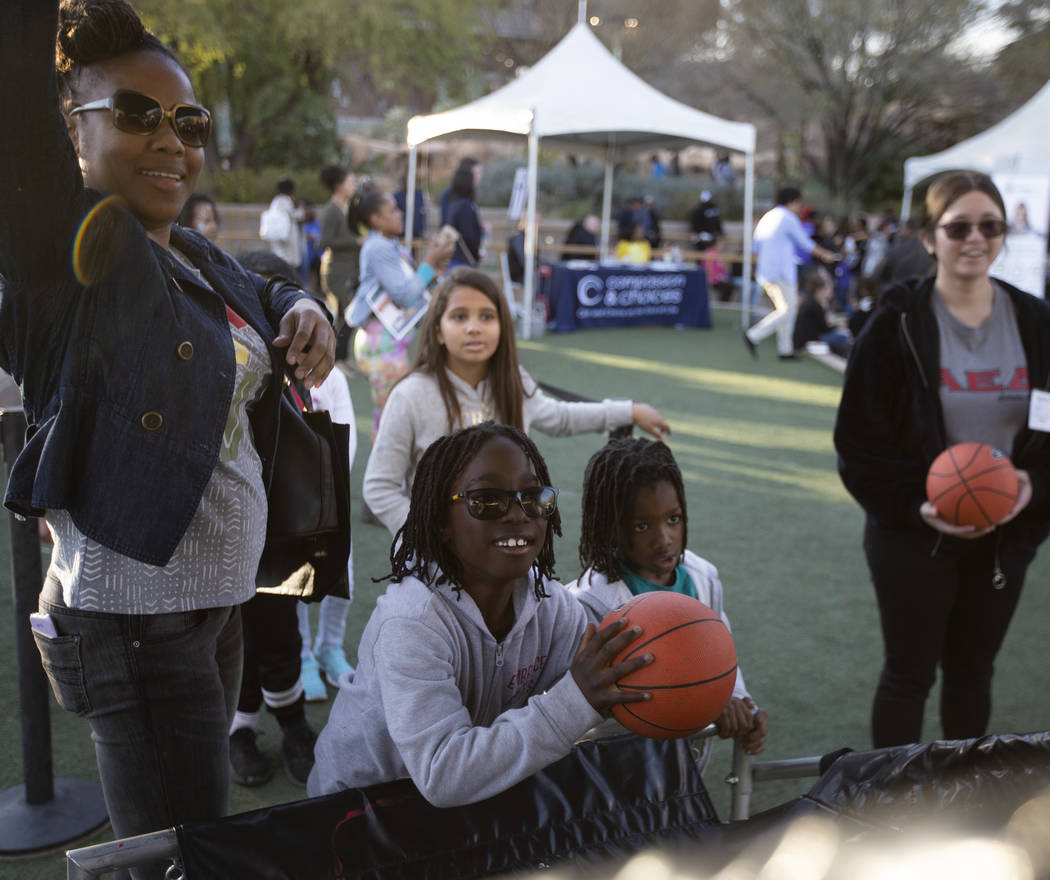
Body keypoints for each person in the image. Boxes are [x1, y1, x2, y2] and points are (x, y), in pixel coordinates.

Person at [1, 0, 335, 871]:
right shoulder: (71, 254)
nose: (171, 140)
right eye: (136, 114)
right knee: (179, 861)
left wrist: (301, 304)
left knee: (203, 842)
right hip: (138, 622)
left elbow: (256, 286)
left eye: (187, 121)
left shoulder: (188, 247)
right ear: (70, 133)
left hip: (216, 602)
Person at [309, 422, 654, 804]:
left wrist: (705, 694)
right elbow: (443, 772)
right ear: (442, 523)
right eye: (487, 501)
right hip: (359, 810)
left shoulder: (553, 609)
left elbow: (617, 683)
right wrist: (575, 701)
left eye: (533, 497)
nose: (518, 515)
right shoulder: (412, 622)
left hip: (461, 809)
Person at [834, 170, 1050, 748]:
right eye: (959, 227)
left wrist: (1034, 486)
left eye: (990, 225)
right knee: (908, 676)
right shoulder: (896, 323)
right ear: (929, 238)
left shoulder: (1036, 323)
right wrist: (915, 504)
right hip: (914, 535)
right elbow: (858, 445)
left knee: (973, 674)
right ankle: (893, 810)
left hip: (1005, 535)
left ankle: (962, 808)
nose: (975, 238)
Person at [362, 267, 670, 536]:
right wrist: (422, 540)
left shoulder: (513, 381)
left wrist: (629, 410)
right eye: (459, 316)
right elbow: (379, 487)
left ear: (502, 327)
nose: (474, 327)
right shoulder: (411, 394)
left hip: (509, 548)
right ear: (438, 330)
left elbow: (559, 418)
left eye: (487, 316)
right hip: (438, 566)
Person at [567, 437, 768, 773]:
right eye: (642, 526)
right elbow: (584, 714)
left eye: (673, 519)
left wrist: (744, 706)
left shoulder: (703, 577)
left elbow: (720, 656)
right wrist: (701, 708)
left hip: (687, 766)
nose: (663, 539)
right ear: (610, 527)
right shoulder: (587, 606)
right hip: (619, 774)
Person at [236, 251, 358, 706]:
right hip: (264, 510)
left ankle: (330, 649)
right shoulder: (239, 370)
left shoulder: (327, 374)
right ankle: (305, 656)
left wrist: (321, 487)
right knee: (287, 590)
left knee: (336, 572)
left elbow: (344, 439)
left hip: (319, 501)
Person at [346, 187, 455, 442]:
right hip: (381, 345)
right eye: (393, 210)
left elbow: (412, 290)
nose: (400, 214)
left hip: (385, 343)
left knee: (391, 416)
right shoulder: (378, 248)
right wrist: (429, 262)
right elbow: (405, 294)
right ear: (376, 220)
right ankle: (385, 477)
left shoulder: (385, 246)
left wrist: (434, 268)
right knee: (392, 420)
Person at [742, 185, 840, 361]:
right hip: (781, 272)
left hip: (766, 271)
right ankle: (754, 335)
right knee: (788, 310)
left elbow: (755, 245)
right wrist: (826, 255)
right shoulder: (787, 218)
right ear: (793, 202)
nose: (800, 207)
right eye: (798, 203)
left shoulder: (767, 217)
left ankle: (785, 350)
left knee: (785, 309)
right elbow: (806, 243)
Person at [318, 164, 360, 357]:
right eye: (350, 182)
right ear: (338, 185)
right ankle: (337, 357)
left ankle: (341, 357)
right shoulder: (332, 210)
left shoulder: (349, 207)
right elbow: (325, 240)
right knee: (344, 314)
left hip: (350, 269)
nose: (353, 185)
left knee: (348, 314)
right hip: (336, 270)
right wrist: (354, 241)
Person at [792, 265, 852, 357]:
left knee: (841, 335)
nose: (830, 292)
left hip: (808, 337)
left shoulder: (813, 301)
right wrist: (837, 326)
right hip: (807, 340)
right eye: (827, 289)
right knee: (842, 337)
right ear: (820, 290)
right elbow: (824, 328)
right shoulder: (815, 305)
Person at [260, 178, 303, 271]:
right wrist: (301, 212)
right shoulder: (286, 201)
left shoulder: (275, 200)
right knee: (289, 265)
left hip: (277, 235)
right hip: (287, 236)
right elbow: (293, 215)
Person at [446, 164, 484, 268]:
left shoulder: (454, 204)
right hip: (463, 259)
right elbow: (469, 235)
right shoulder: (465, 206)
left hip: (454, 256)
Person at [439, 156, 480, 226]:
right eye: (476, 173)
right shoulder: (451, 192)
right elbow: (447, 222)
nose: (479, 177)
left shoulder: (469, 193)